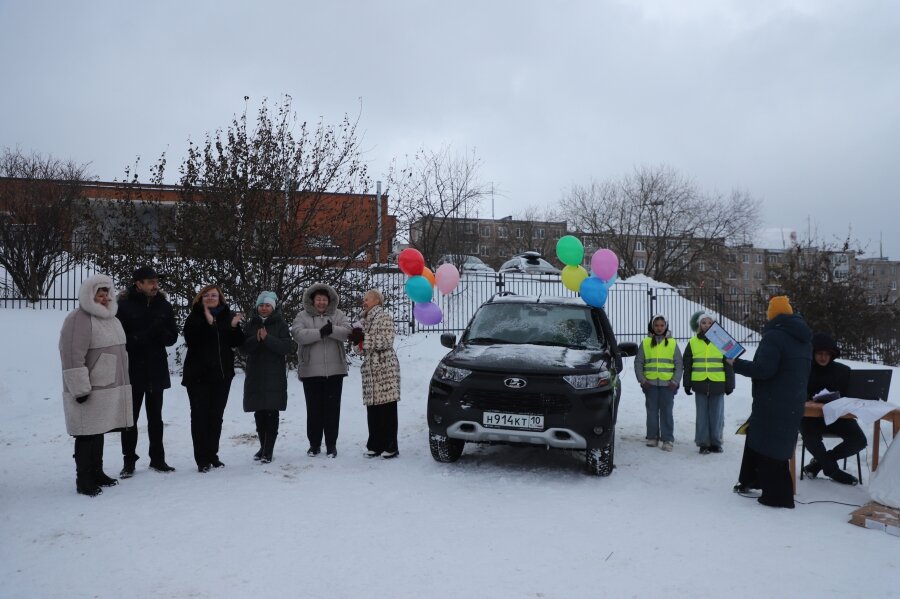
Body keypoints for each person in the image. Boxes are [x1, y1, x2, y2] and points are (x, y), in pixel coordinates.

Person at [730, 296, 812, 509]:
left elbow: (764, 370)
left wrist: (735, 364)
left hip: (773, 400)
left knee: (769, 445)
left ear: (772, 315)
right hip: (792, 400)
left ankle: (777, 497)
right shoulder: (803, 338)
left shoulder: (775, 336)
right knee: (764, 439)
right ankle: (750, 479)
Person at [59, 274, 133, 497]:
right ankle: (84, 478)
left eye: (106, 293)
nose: (104, 297)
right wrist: (79, 388)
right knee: (86, 433)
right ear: (89, 294)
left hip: (109, 386)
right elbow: (72, 356)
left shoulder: (112, 318)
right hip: (90, 387)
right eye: (99, 293)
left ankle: (97, 471)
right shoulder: (78, 319)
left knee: (99, 430)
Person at [116, 265, 179, 477]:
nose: (155, 285)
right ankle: (129, 462)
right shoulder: (123, 306)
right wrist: (146, 334)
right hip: (133, 369)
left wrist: (160, 331)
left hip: (156, 368)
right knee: (129, 419)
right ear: (138, 283)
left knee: (156, 417)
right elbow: (122, 340)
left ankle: (158, 459)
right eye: (150, 281)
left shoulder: (164, 305)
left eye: (156, 281)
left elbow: (172, 338)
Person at [181, 284, 244, 473]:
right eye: (206, 295)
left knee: (216, 417)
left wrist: (234, 328)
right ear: (201, 298)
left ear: (220, 298)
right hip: (198, 376)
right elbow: (192, 341)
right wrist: (208, 323)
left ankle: (212, 455)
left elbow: (237, 342)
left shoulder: (227, 316)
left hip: (222, 376)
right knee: (200, 417)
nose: (210, 297)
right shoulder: (194, 317)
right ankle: (202, 459)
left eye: (214, 295)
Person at [291, 284, 352, 458]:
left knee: (332, 410)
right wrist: (320, 332)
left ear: (330, 301)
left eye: (324, 299)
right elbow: (298, 334)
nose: (321, 302)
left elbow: (347, 332)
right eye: (318, 299)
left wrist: (331, 329)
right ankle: (314, 444)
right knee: (314, 410)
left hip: (335, 371)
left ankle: (331, 445)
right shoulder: (302, 316)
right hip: (311, 371)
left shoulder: (338, 315)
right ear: (312, 300)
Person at [800, 333, 865, 485]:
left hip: (837, 416)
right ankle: (833, 471)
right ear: (812, 353)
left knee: (859, 440)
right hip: (809, 417)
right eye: (819, 353)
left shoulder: (843, 371)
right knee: (811, 438)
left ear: (832, 355)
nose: (823, 357)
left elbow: (850, 393)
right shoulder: (803, 369)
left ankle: (818, 464)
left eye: (827, 354)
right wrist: (808, 397)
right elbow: (795, 391)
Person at [242, 291, 292, 463]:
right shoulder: (251, 324)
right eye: (261, 305)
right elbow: (243, 348)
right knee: (259, 413)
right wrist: (256, 339)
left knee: (272, 412)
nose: (264, 308)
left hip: (274, 376)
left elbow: (286, 347)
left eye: (267, 305)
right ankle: (263, 446)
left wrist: (267, 338)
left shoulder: (281, 324)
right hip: (255, 375)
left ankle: (268, 451)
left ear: (273, 307)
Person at [353, 289, 401, 458]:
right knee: (372, 409)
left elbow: (387, 340)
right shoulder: (363, 320)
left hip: (384, 368)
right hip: (369, 370)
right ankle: (374, 444)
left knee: (387, 408)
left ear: (377, 301)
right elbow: (358, 349)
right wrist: (356, 340)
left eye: (367, 299)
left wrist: (363, 339)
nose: (364, 302)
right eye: (363, 299)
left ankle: (390, 445)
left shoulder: (384, 317)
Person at [683, 311, 735, 454]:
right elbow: (687, 365)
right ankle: (703, 443)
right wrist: (686, 383)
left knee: (716, 414)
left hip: (718, 383)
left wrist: (730, 385)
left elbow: (729, 364)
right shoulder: (693, 342)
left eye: (709, 322)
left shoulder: (723, 341)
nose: (706, 325)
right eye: (703, 322)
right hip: (699, 383)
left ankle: (716, 442)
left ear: (714, 325)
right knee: (702, 415)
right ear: (699, 325)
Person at [634, 314, 683, 451]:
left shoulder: (672, 343)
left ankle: (667, 439)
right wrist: (642, 380)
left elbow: (679, 364)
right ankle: (652, 437)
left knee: (667, 412)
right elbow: (638, 363)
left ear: (666, 326)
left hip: (668, 385)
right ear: (652, 326)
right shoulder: (645, 343)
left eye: (662, 325)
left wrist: (675, 381)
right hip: (650, 385)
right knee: (652, 411)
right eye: (656, 325)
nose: (659, 328)